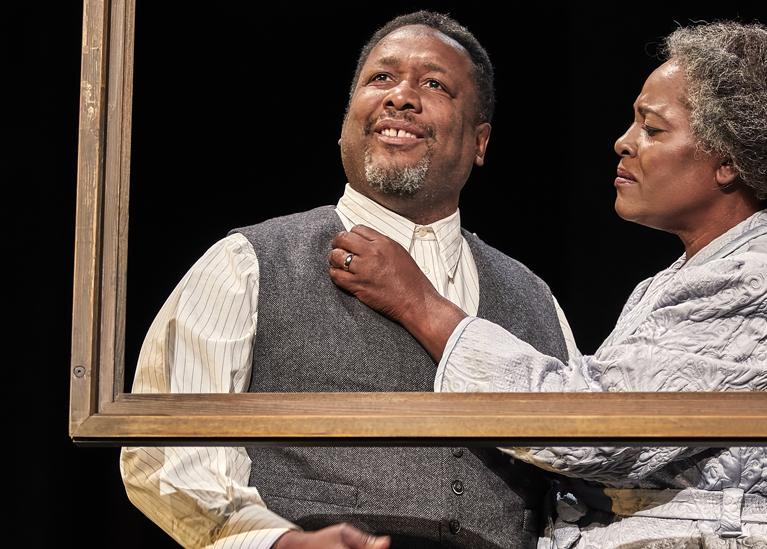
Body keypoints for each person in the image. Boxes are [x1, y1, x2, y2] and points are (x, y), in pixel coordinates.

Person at [330, 21, 767, 549]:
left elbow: (591, 428)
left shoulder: (757, 282)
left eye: (653, 129)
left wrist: (421, 304)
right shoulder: (700, 273)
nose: (624, 143)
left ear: (728, 162)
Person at [121, 11, 577, 549]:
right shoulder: (248, 263)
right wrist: (279, 543)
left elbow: (578, 483)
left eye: (434, 84)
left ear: (480, 142)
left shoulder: (534, 298)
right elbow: (167, 456)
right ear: (346, 120)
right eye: (381, 78)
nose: (400, 97)